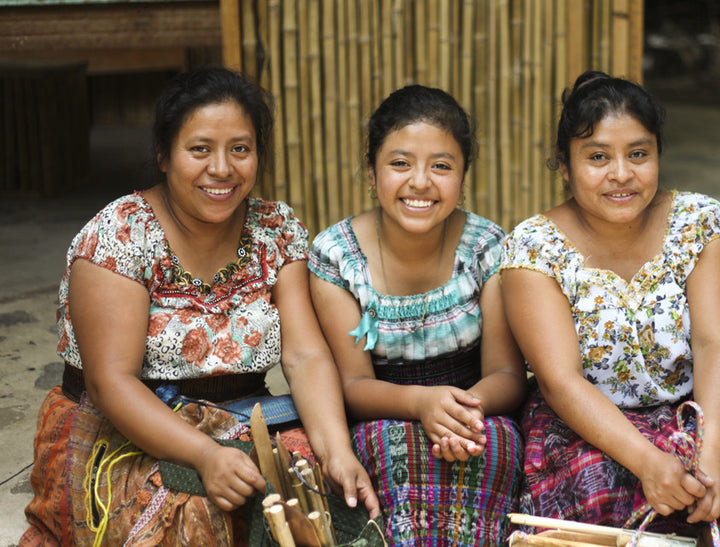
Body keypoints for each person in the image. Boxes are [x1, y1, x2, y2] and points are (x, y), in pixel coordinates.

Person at [21, 66, 379, 546]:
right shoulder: (122, 234)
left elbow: (305, 355)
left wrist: (336, 451)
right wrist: (204, 456)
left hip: (244, 413)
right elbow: (111, 383)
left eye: (240, 149)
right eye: (199, 149)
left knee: (321, 498)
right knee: (190, 514)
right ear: (163, 154)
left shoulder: (275, 230)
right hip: (129, 427)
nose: (222, 169)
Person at [500, 71, 720, 546]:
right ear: (564, 166)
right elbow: (561, 382)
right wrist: (648, 462)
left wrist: (709, 453)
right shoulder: (534, 246)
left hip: (691, 412)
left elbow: (716, 344)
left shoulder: (697, 222)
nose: (621, 174)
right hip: (588, 427)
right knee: (598, 483)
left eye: (638, 154)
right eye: (598, 157)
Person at [308, 84, 528, 546]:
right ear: (371, 172)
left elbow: (508, 374)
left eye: (442, 166)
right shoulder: (337, 257)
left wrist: (461, 415)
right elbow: (353, 386)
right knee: (392, 450)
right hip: (383, 412)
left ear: (463, 177)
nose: (421, 182)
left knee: (498, 446)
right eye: (400, 163)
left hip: (477, 410)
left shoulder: (487, 248)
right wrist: (421, 406)